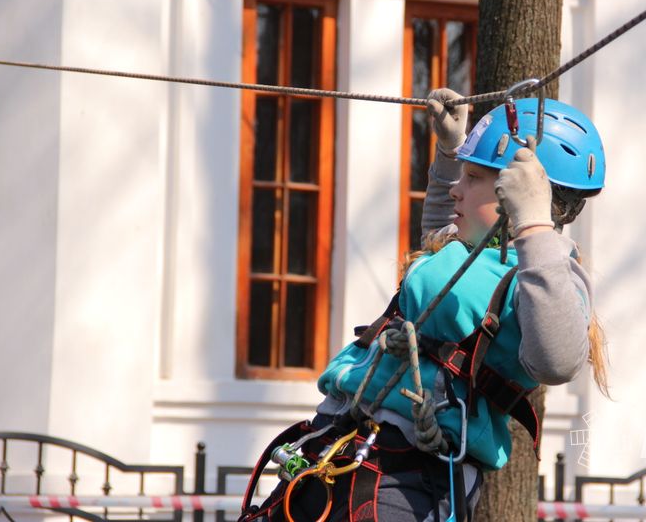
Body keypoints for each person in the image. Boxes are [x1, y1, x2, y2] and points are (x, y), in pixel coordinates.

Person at [239, 88, 609, 522]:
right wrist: (451, 150)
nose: (456, 189)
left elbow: (558, 360)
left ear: (519, 193)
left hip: (408, 481)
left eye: (474, 178)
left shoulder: (546, 275)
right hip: (339, 445)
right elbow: (436, 257)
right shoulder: (468, 252)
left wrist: (533, 224)